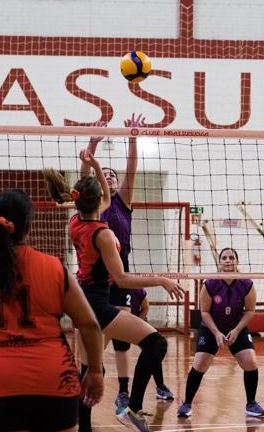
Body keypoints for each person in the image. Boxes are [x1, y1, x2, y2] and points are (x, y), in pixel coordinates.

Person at [0, 189, 106, 432]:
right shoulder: (54, 268)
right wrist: (95, 371)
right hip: (55, 379)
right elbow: (90, 324)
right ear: (28, 228)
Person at [43, 150, 184, 432]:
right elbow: (121, 279)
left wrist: (95, 165)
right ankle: (131, 410)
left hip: (82, 300)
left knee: (87, 370)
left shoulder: (76, 220)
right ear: (99, 201)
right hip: (97, 304)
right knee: (156, 344)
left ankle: (83, 428)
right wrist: (161, 280)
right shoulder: (104, 234)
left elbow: (105, 196)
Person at [80, 116, 173, 408]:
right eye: (104, 174)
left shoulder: (122, 202)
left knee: (120, 337)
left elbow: (131, 170)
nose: (108, 177)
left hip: (119, 274)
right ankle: (89, 381)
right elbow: (84, 176)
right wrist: (92, 144)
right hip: (96, 278)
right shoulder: (91, 209)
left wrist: (133, 138)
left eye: (113, 175)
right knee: (95, 347)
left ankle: (123, 391)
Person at [177, 248, 264, 419]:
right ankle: (186, 403)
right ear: (219, 262)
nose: (227, 260)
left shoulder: (247, 283)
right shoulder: (210, 283)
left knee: (250, 362)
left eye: (231, 257)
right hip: (211, 327)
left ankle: (251, 403)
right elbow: (204, 312)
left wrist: (237, 330)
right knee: (200, 363)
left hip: (236, 327)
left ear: (237, 262)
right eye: (224, 258)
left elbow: (250, 311)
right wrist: (216, 332)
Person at [126, 287, 171, 402]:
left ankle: (160, 386)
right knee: (115, 348)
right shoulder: (111, 288)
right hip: (116, 321)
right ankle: (123, 391)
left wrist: (135, 324)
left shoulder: (137, 289)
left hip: (138, 320)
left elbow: (145, 308)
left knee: (155, 348)